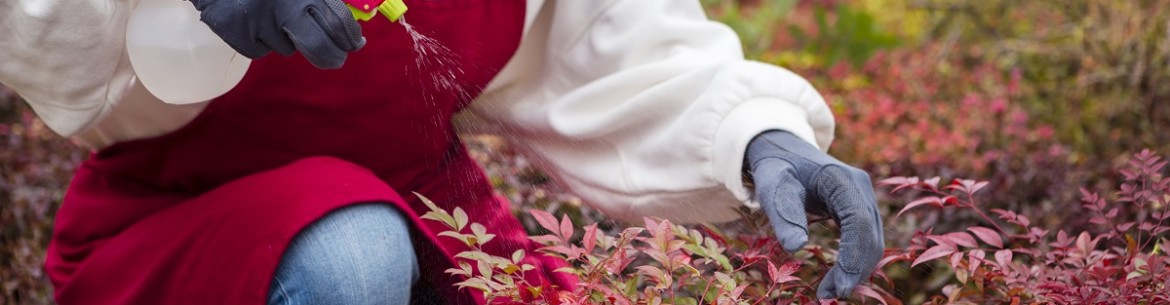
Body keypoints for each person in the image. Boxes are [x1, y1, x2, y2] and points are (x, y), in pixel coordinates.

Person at [0, 0, 884, 304]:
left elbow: (621, 46)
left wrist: (761, 137)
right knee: (349, 251)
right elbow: (42, 40)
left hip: (434, 228)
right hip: (182, 234)